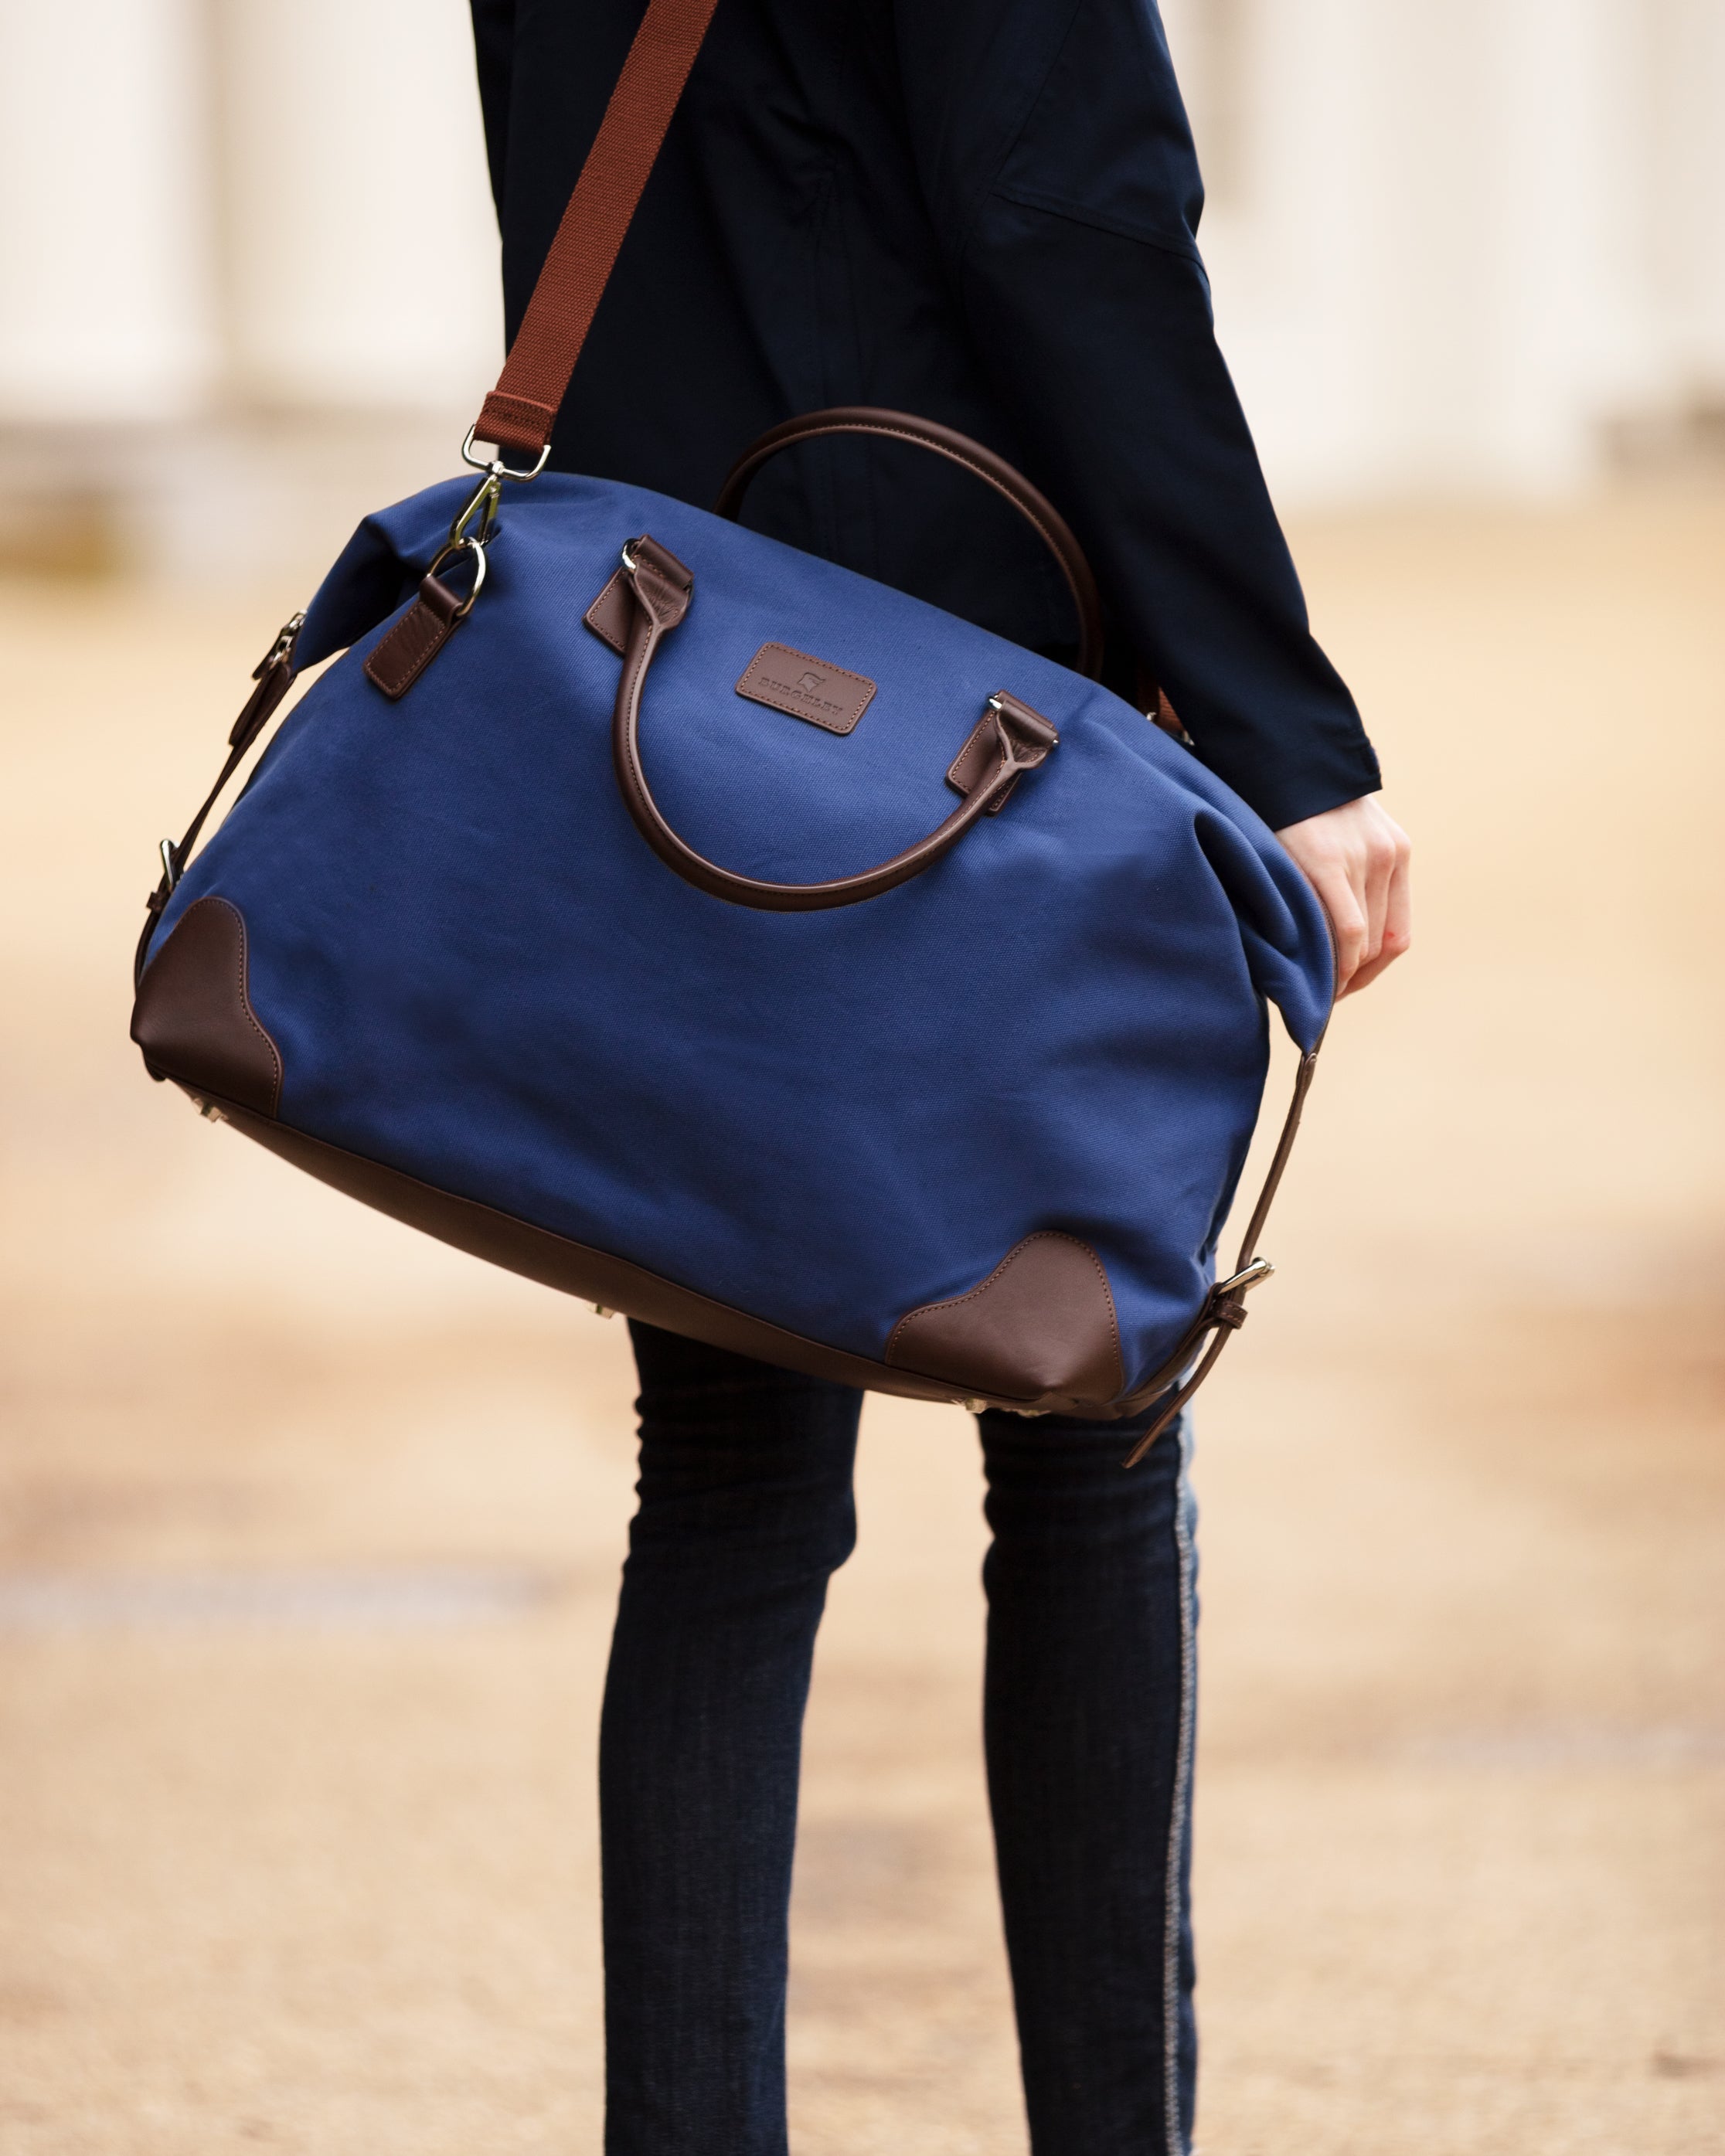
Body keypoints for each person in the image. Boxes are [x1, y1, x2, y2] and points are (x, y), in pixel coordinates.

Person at [468, 4, 1411, 2151]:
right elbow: (1067, 216)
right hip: (1003, 733)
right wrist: (1290, 739)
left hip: (669, 700)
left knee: (721, 1492)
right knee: (1086, 1444)